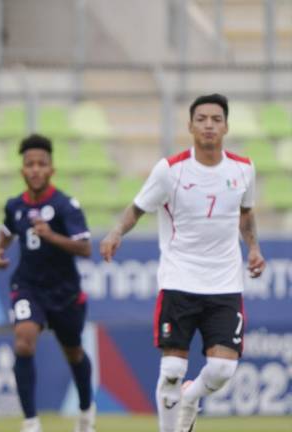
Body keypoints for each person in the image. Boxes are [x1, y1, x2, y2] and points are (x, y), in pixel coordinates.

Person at [99, 93, 265, 432]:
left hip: (225, 283)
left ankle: (192, 397)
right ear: (190, 126)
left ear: (226, 126)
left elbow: (246, 214)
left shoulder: (243, 168)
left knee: (222, 370)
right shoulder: (170, 170)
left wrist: (253, 248)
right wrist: (116, 232)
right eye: (201, 119)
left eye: (216, 119)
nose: (208, 125)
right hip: (179, 280)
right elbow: (138, 208)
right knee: (172, 370)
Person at [0, 134, 96, 432]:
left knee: (74, 352)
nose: (35, 169)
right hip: (28, 287)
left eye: (41, 164)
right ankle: (31, 423)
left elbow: (85, 248)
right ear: (22, 170)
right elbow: (6, 230)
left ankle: (86, 414)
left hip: (64, 292)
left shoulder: (65, 206)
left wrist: (52, 236)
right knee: (24, 340)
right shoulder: (15, 205)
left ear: (52, 169)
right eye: (30, 164)